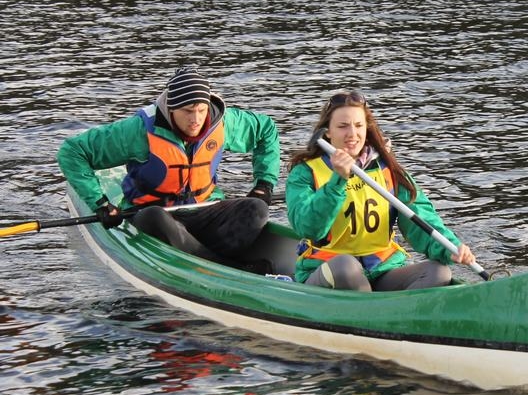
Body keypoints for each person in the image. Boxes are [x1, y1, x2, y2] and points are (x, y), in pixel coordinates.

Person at [57, 66, 281, 273]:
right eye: (187, 111)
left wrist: (264, 183)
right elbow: (72, 151)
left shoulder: (223, 122)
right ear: (171, 108)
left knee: (256, 208)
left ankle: (202, 255)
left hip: (203, 209)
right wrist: (100, 203)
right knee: (157, 217)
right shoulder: (139, 131)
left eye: (201, 110)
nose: (196, 120)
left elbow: (266, 130)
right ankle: (227, 267)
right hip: (150, 216)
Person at [285, 90, 476, 291]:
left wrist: (450, 248)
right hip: (331, 271)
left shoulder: (388, 170)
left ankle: (396, 315)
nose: (352, 134)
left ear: (367, 128)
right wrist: (337, 181)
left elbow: (421, 220)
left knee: (439, 272)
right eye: (342, 126)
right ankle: (375, 313)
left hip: (382, 269)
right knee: (345, 265)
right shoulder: (305, 172)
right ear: (328, 132)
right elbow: (308, 227)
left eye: (359, 126)